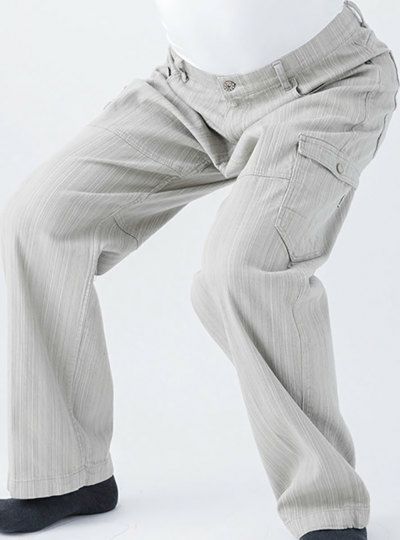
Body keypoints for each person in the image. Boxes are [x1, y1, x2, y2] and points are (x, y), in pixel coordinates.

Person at [0, 0, 398, 537]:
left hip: (327, 84)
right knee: (39, 222)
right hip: (189, 94)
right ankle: (67, 474)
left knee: (240, 270)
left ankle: (326, 504)